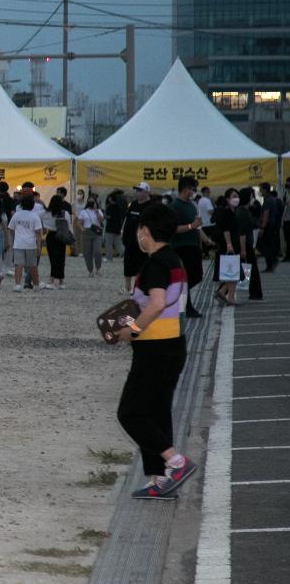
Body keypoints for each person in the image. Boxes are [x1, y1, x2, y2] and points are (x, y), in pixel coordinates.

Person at [112, 202, 199, 501]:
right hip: (172, 344)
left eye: (139, 229)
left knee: (130, 413)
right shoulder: (173, 260)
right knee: (157, 412)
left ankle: (176, 463)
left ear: (145, 231)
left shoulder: (155, 264)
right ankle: (159, 481)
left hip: (155, 348)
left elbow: (158, 303)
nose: (138, 235)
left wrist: (132, 330)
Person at [167, 176, 205, 319]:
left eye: (193, 189)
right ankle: (187, 308)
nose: (193, 192)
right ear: (184, 188)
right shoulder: (174, 206)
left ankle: (179, 300)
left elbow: (197, 226)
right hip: (181, 247)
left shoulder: (191, 205)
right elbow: (174, 229)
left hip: (194, 246)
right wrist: (191, 226)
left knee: (197, 276)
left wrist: (206, 239)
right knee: (187, 277)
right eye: (191, 188)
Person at [7, 194, 44, 293]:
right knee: (33, 265)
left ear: (21, 204)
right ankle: (36, 284)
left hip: (18, 243)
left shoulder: (16, 215)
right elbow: (38, 232)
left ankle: (17, 284)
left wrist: (10, 242)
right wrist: (39, 246)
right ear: (32, 205)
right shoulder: (35, 216)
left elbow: (10, 229)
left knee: (18, 264)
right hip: (31, 244)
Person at [121, 182, 153, 296]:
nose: (137, 192)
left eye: (140, 190)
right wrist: (123, 233)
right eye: (136, 190)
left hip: (143, 243)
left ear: (146, 192)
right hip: (129, 241)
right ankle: (127, 287)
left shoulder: (151, 206)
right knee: (128, 264)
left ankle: (138, 288)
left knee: (141, 266)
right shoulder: (133, 204)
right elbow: (127, 220)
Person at [212, 189, 239, 307]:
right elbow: (226, 230)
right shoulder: (227, 212)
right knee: (232, 273)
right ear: (227, 199)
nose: (236, 198)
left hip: (232, 244)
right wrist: (229, 244)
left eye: (237, 196)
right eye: (233, 196)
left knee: (233, 273)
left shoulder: (233, 211)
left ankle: (222, 292)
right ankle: (231, 297)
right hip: (229, 245)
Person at [237, 188, 263, 301]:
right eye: (252, 196)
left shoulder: (246, 211)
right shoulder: (242, 212)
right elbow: (242, 233)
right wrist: (243, 249)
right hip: (245, 245)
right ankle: (255, 293)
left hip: (248, 244)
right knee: (248, 269)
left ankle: (254, 293)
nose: (253, 198)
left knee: (245, 269)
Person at [42, 195, 68, 290]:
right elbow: (68, 225)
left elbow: (38, 217)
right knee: (61, 258)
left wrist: (43, 227)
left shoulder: (45, 213)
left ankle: (52, 278)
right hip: (61, 236)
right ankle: (61, 279)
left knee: (53, 258)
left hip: (51, 236)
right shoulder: (64, 213)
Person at [257, 183, 283, 272]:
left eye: (261, 189)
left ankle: (271, 261)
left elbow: (266, 215)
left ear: (265, 190)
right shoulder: (273, 199)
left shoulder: (268, 200)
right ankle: (271, 264)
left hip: (267, 226)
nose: (260, 191)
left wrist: (262, 228)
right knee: (268, 246)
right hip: (273, 226)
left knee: (262, 245)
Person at [79, 193, 105, 277]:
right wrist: (82, 228)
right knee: (87, 253)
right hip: (86, 232)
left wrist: (96, 212)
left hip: (97, 232)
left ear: (96, 202)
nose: (91, 203)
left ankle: (98, 268)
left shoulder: (99, 211)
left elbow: (101, 221)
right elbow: (79, 222)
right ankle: (90, 270)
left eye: (93, 202)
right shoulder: (83, 211)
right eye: (89, 202)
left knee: (97, 251)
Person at [103, 190, 127, 260]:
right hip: (117, 227)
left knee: (109, 243)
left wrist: (105, 216)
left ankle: (109, 257)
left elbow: (109, 217)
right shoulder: (119, 206)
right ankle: (124, 253)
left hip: (110, 227)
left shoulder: (110, 206)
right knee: (118, 243)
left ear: (111, 198)